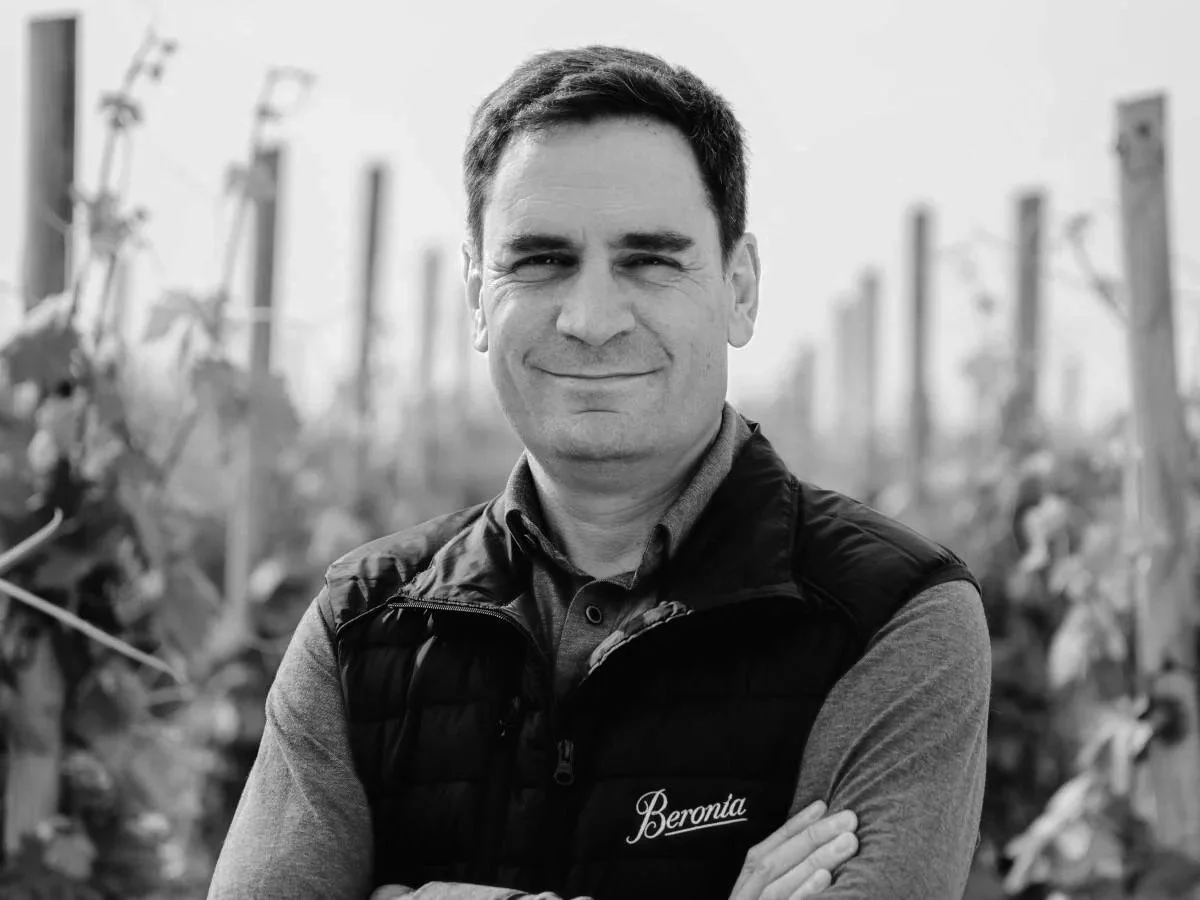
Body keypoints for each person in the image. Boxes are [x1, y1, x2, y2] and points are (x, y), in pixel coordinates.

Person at [207, 45, 990, 900]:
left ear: (740, 288)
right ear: (477, 296)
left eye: (648, 260)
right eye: (539, 260)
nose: (589, 318)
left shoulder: (894, 617)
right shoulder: (361, 626)